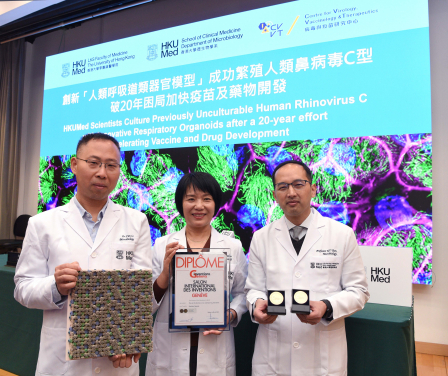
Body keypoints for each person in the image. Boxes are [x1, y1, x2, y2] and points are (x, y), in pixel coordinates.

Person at [14, 133, 152, 376]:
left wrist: (127, 340)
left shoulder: (136, 221)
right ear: (75, 165)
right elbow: (22, 288)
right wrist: (55, 286)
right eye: (94, 163)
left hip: (116, 359)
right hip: (62, 361)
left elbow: (140, 290)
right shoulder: (42, 224)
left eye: (111, 165)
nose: (102, 172)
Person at [245, 160, 369, 376]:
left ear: (313, 189)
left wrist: (327, 307)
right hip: (274, 353)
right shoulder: (261, 237)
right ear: (275, 194)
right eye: (283, 187)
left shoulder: (342, 235)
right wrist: (256, 305)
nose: (291, 192)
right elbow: (253, 289)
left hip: (322, 356)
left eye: (298, 184)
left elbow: (359, 291)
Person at [146, 172, 248, 376]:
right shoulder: (161, 246)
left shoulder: (232, 246)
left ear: (216, 204)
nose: (199, 206)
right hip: (170, 350)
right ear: (180, 203)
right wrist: (166, 272)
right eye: (191, 199)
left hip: (215, 346)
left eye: (206, 199)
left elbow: (243, 293)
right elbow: (146, 304)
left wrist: (231, 314)